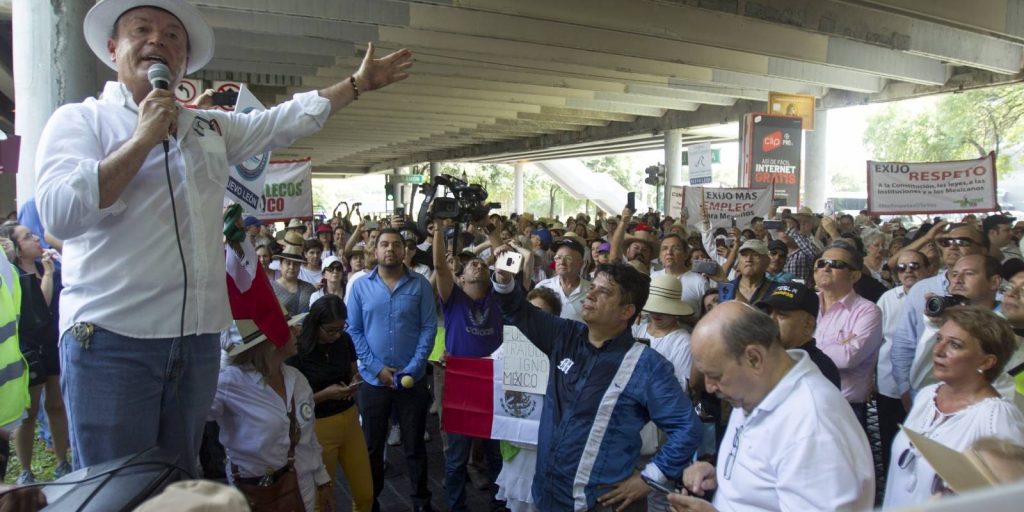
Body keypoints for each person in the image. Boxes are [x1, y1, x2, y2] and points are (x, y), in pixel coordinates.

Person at [33, 0, 412, 470]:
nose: (158, 41)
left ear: (184, 62)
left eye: (173, 36)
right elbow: (59, 215)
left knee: (179, 482)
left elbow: (281, 121)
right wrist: (142, 139)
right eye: (142, 30)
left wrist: (356, 85)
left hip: (195, 341)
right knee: (118, 487)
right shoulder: (80, 121)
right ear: (113, 48)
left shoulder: (207, 128)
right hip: (113, 341)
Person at [492, 257, 702, 511]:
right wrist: (504, 279)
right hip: (546, 497)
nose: (590, 294)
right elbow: (517, 310)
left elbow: (687, 427)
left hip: (599, 503)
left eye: (603, 292)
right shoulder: (565, 335)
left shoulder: (647, 365)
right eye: (592, 287)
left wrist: (650, 477)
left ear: (626, 311)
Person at [669, 302, 875, 512]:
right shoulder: (754, 390)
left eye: (716, 376)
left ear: (754, 358)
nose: (709, 387)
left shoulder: (813, 426)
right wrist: (722, 474)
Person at [882, 307, 1024, 508]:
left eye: (955, 345)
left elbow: (1010, 500)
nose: (939, 350)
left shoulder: (996, 417)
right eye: (939, 339)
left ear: (986, 361)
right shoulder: (927, 395)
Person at [347, 228, 437, 512]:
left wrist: (412, 368)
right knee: (372, 448)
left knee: (414, 446)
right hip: (374, 382)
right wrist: (376, 368)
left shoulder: (420, 284)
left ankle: (421, 501)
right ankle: (370, 501)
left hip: (413, 380)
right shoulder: (360, 286)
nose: (390, 249)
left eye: (396, 245)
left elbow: (429, 328)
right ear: (375, 251)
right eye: (384, 244)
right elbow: (354, 330)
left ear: (404, 251)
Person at [210, 314, 334, 512]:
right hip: (254, 495)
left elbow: (309, 439)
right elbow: (186, 418)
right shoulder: (229, 383)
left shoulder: (297, 380)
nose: (298, 330)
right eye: (290, 327)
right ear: (270, 340)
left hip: (302, 491)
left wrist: (323, 481)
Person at [432, 219, 505, 512]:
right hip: (461, 383)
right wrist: (438, 229)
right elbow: (439, 267)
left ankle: (500, 506)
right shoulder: (453, 300)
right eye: (471, 265)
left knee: (496, 456)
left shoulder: (499, 297)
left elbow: (507, 262)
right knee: (457, 458)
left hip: (494, 381)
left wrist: (492, 235)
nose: (478, 265)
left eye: (481, 264)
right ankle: (456, 507)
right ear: (459, 279)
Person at [286, 296, 372, 512]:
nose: (336, 335)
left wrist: (354, 382)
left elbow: (353, 371)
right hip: (318, 425)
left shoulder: (344, 341)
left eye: (341, 328)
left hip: (350, 418)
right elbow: (292, 402)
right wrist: (325, 395)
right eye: (331, 330)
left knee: (365, 493)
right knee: (322, 499)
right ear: (315, 324)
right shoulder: (298, 352)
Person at [0, 224, 71, 481]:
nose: (36, 239)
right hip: (28, 347)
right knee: (28, 413)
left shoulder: (47, 266)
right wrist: (49, 276)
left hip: (52, 341)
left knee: (56, 404)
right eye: (28, 237)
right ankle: (26, 471)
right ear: (17, 249)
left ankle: (63, 462)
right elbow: (38, 308)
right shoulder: (13, 273)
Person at [891, 223, 988, 404]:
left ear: (982, 250)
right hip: (924, 393)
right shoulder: (921, 289)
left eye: (962, 241)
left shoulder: (995, 295)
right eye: (947, 241)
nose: (952, 246)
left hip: (977, 397)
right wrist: (905, 388)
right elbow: (904, 344)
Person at [813, 240, 883, 426]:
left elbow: (848, 358)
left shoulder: (868, 311)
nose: (826, 268)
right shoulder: (806, 304)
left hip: (845, 408)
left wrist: (804, 348)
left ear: (854, 276)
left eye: (836, 265)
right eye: (821, 263)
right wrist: (835, 347)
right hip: (805, 403)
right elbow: (783, 346)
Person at [876, 249, 932, 470]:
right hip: (889, 385)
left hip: (927, 386)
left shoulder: (938, 298)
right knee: (891, 441)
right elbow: (875, 341)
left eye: (915, 266)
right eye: (902, 267)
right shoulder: (888, 299)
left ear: (928, 269)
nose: (908, 271)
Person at [755, 283, 841, 388]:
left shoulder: (820, 369)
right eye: (768, 312)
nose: (770, 320)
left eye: (781, 315)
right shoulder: (763, 357)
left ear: (808, 325)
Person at [536, 236, 592, 322]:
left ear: (581, 263)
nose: (561, 262)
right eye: (558, 258)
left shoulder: (591, 291)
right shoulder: (543, 287)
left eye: (568, 258)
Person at [716, 239, 776, 305]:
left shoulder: (777, 290)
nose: (748, 259)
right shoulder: (725, 289)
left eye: (755, 255)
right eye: (744, 255)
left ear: (767, 261)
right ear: (739, 261)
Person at [272, 232, 316, 316]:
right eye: (288, 263)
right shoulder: (271, 289)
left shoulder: (309, 288)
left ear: (300, 266)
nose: (291, 267)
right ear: (281, 265)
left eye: (295, 264)